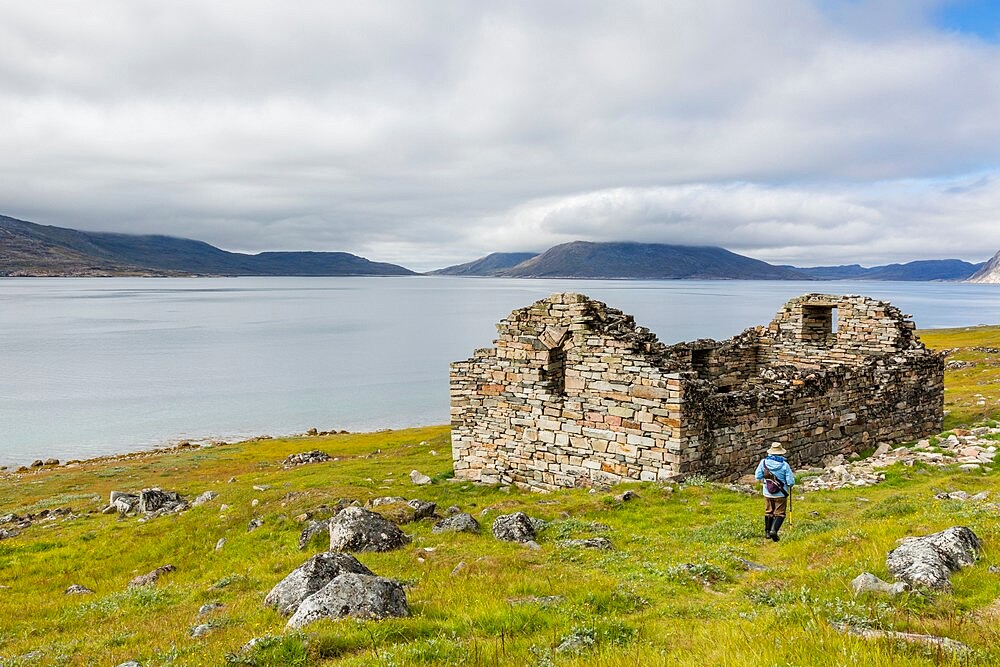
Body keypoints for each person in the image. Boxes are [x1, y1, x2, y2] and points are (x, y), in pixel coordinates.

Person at [754, 442, 795, 542]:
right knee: (780, 513)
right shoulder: (785, 465)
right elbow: (790, 481)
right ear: (781, 453)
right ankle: (774, 530)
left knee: (769, 511)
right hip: (781, 493)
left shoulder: (763, 463)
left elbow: (757, 476)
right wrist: (788, 484)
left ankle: (767, 532)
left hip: (767, 492)